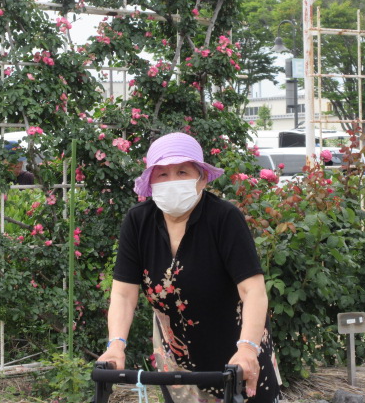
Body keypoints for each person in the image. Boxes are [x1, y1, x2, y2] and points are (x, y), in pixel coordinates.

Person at [98, 132, 281, 403]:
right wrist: (116, 346)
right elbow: (124, 294)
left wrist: (247, 349)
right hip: (177, 358)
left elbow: (252, 290)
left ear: (202, 178)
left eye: (182, 171)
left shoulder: (224, 218)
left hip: (238, 348)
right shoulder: (139, 222)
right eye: (162, 174)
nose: (172, 181)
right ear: (151, 181)